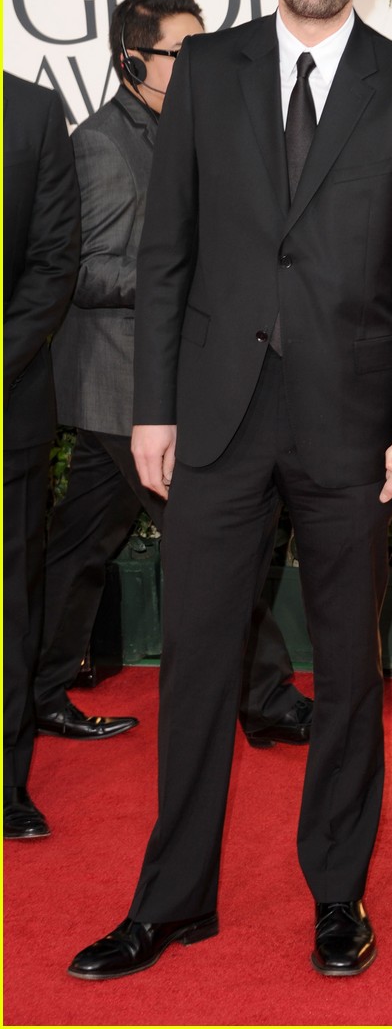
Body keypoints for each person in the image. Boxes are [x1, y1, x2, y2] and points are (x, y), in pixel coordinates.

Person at [68, 0, 392, 981]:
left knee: (345, 663)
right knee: (194, 662)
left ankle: (337, 895)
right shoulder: (210, 69)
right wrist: (152, 408)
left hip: (349, 421)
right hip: (217, 417)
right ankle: (170, 898)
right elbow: (166, 250)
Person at [35, 0, 312, 748]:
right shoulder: (101, 145)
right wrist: (186, 276)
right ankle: (264, 699)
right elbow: (81, 272)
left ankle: (37, 687)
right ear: (131, 63)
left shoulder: (189, 131)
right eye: (180, 54)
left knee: (81, 545)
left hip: (141, 388)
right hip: (118, 385)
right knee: (215, 539)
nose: (201, 66)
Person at [4, 73, 80, 838]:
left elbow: (53, 261)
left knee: (8, 609)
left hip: (8, 404)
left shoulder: (29, 110)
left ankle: (4, 783)